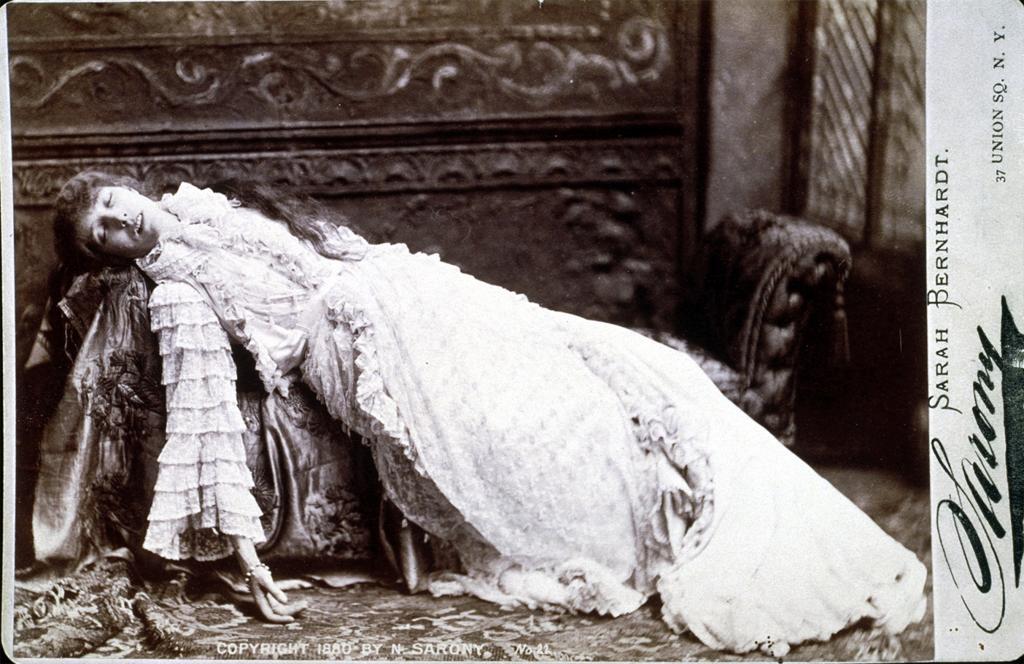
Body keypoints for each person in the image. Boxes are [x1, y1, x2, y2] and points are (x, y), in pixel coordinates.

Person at [50, 171, 927, 655]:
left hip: (400, 291)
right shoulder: (176, 293)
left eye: (116, 205)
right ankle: (626, 525)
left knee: (580, 364)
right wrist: (245, 557)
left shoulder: (206, 205)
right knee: (496, 437)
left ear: (131, 188)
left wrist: (377, 270)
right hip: (358, 352)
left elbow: (325, 251)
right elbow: (202, 419)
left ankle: (666, 483)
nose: (122, 227)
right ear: (108, 257)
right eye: (104, 237)